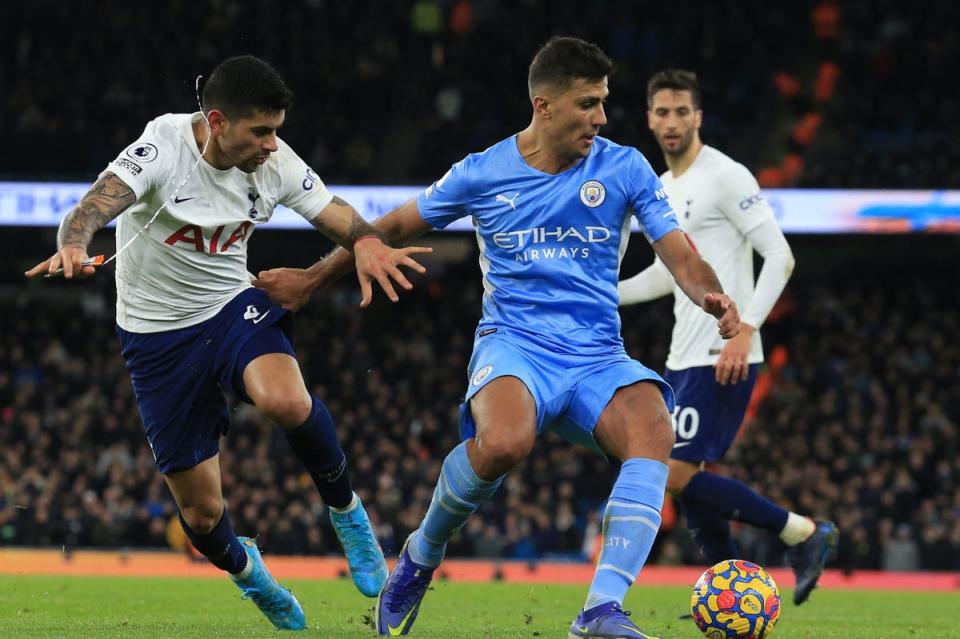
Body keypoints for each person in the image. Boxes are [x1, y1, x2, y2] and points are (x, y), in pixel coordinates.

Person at [256, 37, 739, 638]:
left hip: (597, 356)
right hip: (515, 346)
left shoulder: (625, 167)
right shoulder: (483, 172)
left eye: (604, 103)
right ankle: (423, 553)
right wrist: (312, 276)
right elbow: (390, 227)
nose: (601, 117)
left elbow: (681, 256)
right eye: (588, 104)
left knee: (653, 431)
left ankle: (599, 611)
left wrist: (709, 295)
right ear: (544, 106)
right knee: (505, 442)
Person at [25, 55, 430, 630]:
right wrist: (72, 242)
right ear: (217, 121)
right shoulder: (164, 145)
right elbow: (96, 202)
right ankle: (250, 575)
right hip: (157, 337)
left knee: (287, 401)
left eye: (276, 130)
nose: (271, 143)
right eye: (261, 131)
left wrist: (365, 241)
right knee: (202, 511)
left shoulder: (275, 161)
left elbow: (338, 214)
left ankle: (347, 513)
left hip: (230, 308)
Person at [619, 69, 836, 606]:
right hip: (682, 356)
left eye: (681, 112)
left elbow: (780, 256)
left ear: (698, 117)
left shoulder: (727, 176)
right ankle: (730, 595)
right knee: (689, 489)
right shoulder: (662, 189)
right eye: (662, 112)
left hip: (723, 353)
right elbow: (664, 276)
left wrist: (747, 332)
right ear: (649, 119)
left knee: (670, 472)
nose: (671, 122)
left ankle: (802, 533)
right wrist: (603, 294)